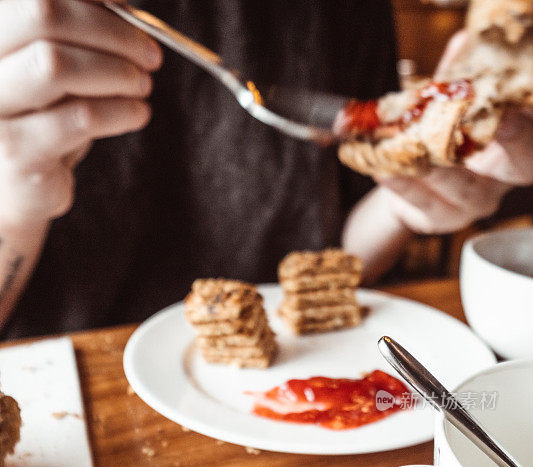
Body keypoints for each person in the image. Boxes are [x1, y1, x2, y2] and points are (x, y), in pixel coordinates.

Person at [0, 1, 531, 339]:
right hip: (64, 400)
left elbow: (336, 253)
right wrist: (11, 208)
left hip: (298, 379)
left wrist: (403, 205)